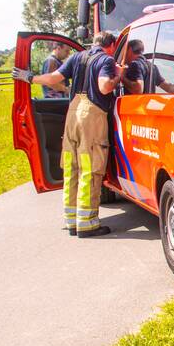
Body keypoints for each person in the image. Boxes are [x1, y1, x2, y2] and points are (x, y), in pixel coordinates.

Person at [13, 32, 125, 237]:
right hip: (91, 116)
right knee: (90, 168)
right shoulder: (107, 60)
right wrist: (118, 75)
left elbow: (53, 79)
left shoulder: (77, 57)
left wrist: (28, 77)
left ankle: (71, 220)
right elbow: (105, 86)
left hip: (72, 114)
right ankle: (88, 224)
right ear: (111, 45)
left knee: (72, 167)